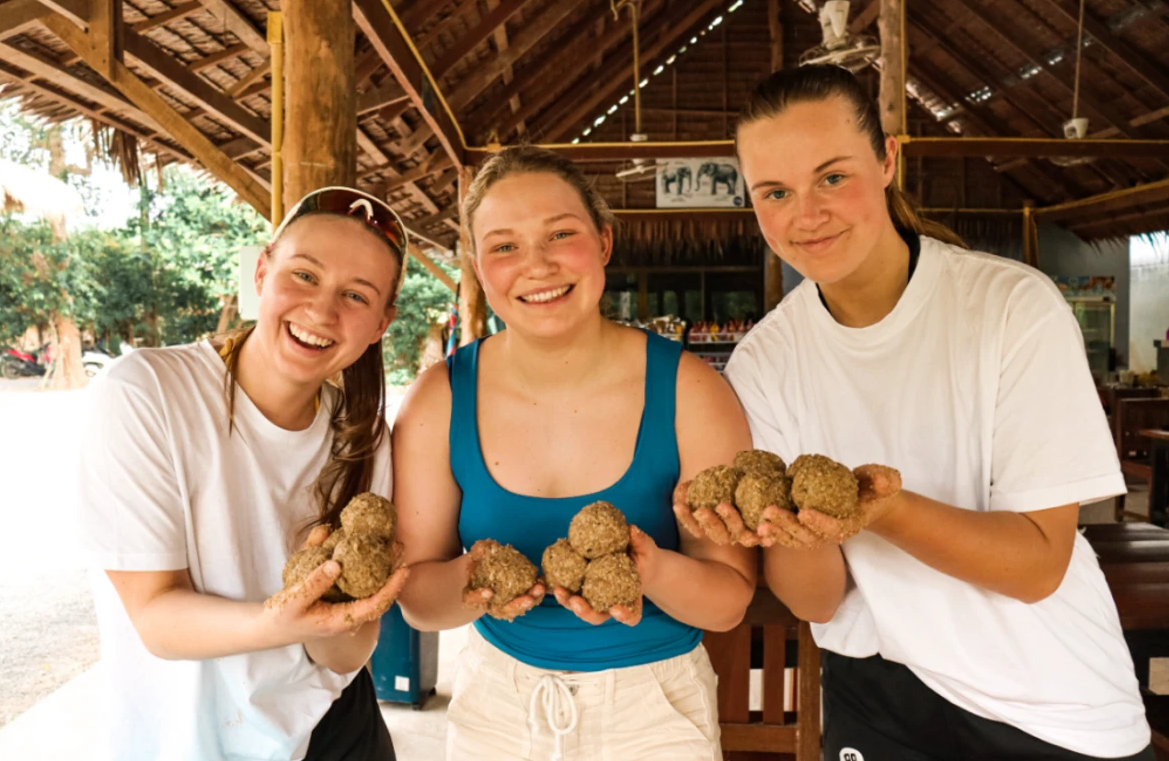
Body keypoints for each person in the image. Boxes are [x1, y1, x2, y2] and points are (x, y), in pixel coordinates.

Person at [678, 63, 1154, 761]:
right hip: (873, 697)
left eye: (832, 177)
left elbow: (1037, 567)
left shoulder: (1009, 309)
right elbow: (816, 602)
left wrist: (884, 510)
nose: (805, 214)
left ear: (888, 159)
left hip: (1048, 701)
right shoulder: (766, 361)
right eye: (775, 192)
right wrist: (780, 527)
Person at [392, 147, 757, 761]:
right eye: (504, 247)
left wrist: (651, 569)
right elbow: (420, 602)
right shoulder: (439, 398)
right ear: (479, 267)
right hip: (495, 710)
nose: (537, 265)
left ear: (604, 243)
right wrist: (473, 581)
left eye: (561, 234)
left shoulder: (692, 392)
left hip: (656, 711)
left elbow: (729, 602)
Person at [77, 187, 411, 761]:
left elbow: (346, 654)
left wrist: (349, 612)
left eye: (355, 295)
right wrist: (284, 617)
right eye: (304, 275)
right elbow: (156, 616)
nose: (322, 310)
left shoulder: (364, 441)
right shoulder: (146, 393)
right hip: (187, 737)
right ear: (261, 271)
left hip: (336, 729)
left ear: (382, 324)